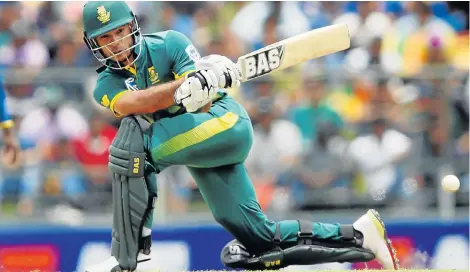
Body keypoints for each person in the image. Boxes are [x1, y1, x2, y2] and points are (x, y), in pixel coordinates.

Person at [82, 2, 399, 271]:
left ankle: (127, 258)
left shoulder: (169, 44)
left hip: (222, 123)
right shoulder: (105, 85)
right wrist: (184, 87)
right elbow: (134, 104)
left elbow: (203, 101)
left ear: (133, 28)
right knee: (259, 243)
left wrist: (205, 77)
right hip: (194, 148)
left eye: (120, 31)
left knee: (133, 148)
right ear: (94, 44)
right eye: (106, 37)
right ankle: (360, 236)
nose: (116, 42)